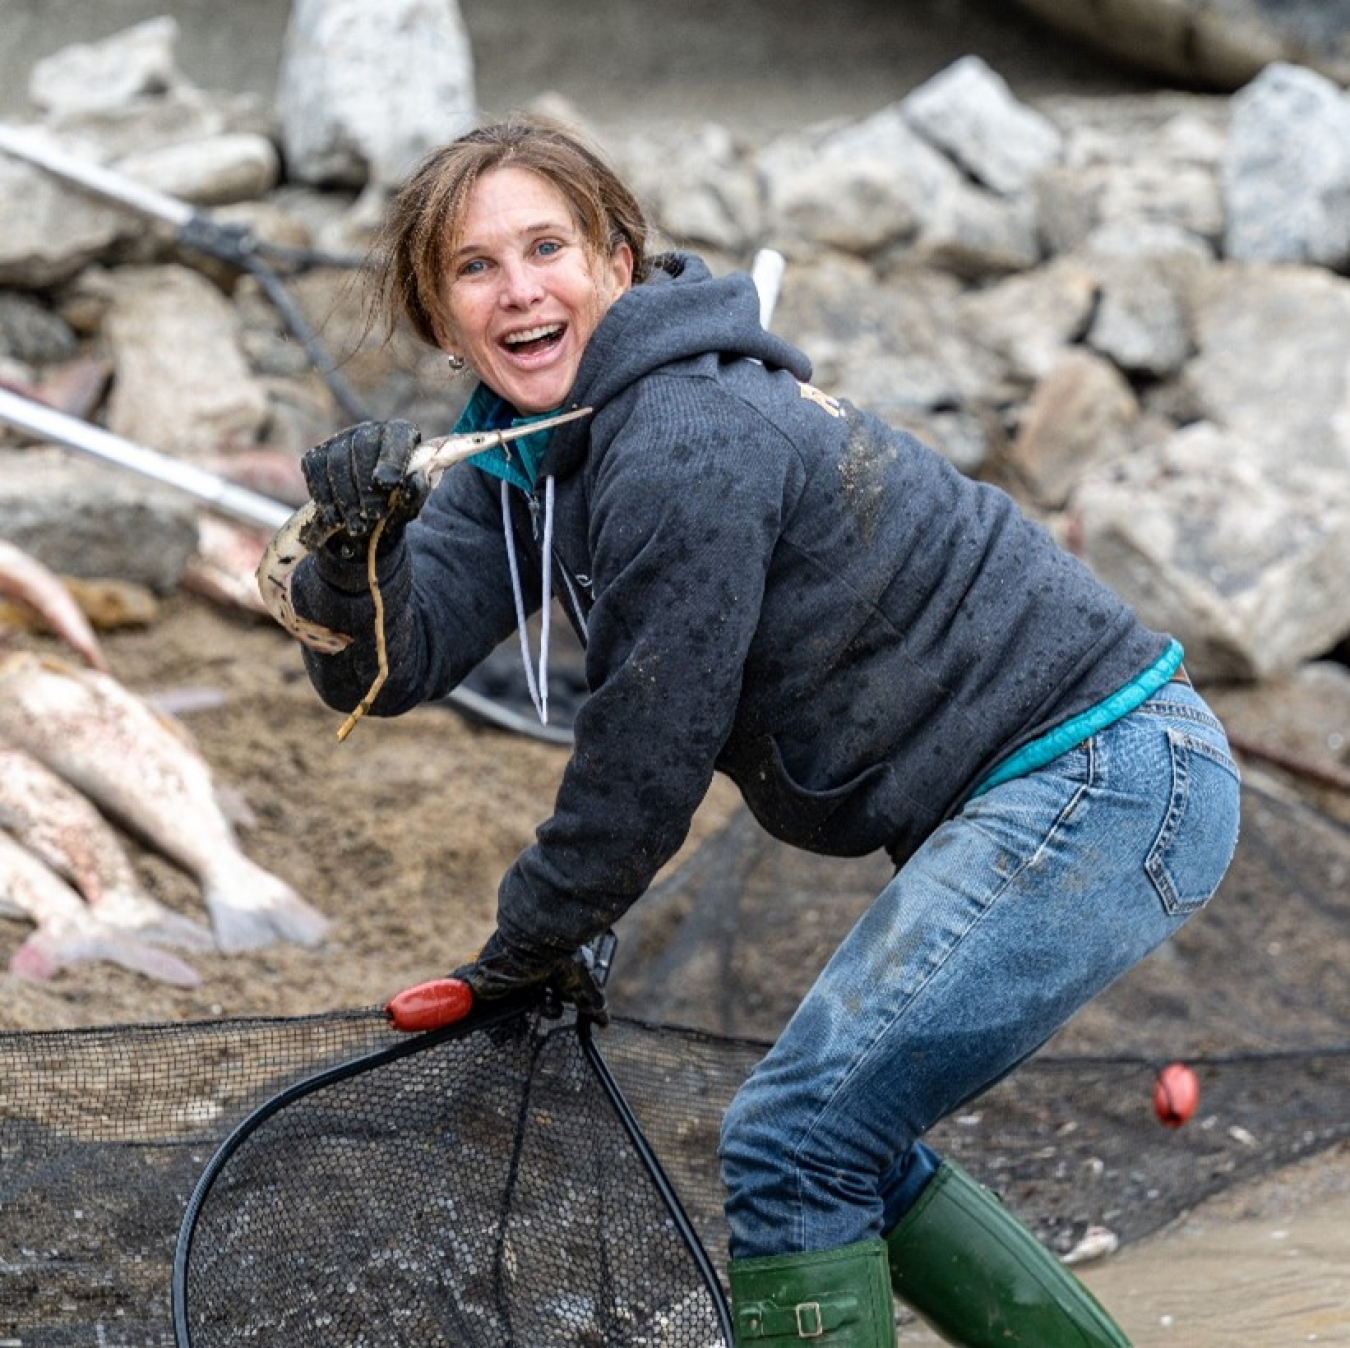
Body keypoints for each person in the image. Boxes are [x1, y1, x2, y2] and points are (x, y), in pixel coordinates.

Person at [288, 115, 1241, 1347]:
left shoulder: (685, 437)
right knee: (843, 1146)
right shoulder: (529, 451)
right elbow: (388, 669)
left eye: (547, 249)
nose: (518, 290)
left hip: (1106, 773)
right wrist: (353, 549)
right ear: (436, 309)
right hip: (1050, 787)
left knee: (796, 1142)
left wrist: (526, 950)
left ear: (617, 264)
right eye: (474, 267)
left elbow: (645, 760)